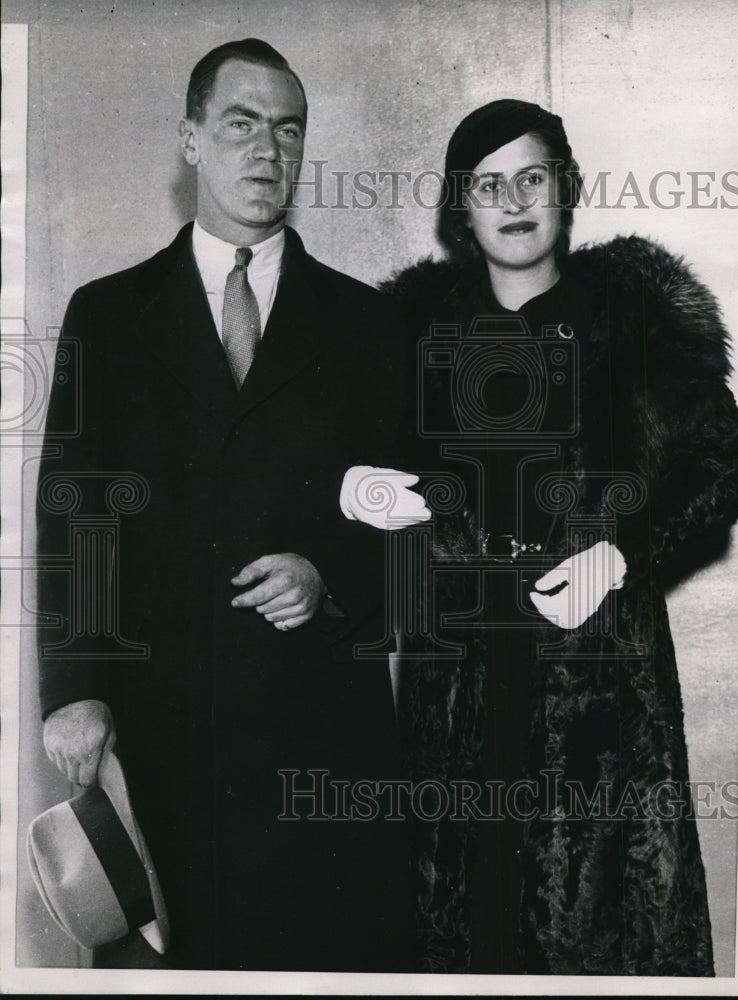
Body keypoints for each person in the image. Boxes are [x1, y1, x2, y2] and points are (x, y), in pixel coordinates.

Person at [341, 100, 738, 974]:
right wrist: (362, 488)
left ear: (565, 187)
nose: (513, 200)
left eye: (532, 176)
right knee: (460, 924)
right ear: (460, 207)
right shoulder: (410, 334)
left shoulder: (636, 319)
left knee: (594, 932)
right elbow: (359, 468)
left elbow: (716, 465)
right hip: (457, 685)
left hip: (601, 683)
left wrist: (621, 551)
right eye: (488, 184)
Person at [36, 38, 414, 971]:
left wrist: (331, 575)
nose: (267, 151)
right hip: (156, 736)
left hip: (319, 737)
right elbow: (76, 509)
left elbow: (412, 514)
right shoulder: (108, 312)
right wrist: (77, 684)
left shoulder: (370, 324)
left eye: (288, 131)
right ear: (191, 139)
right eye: (241, 124)